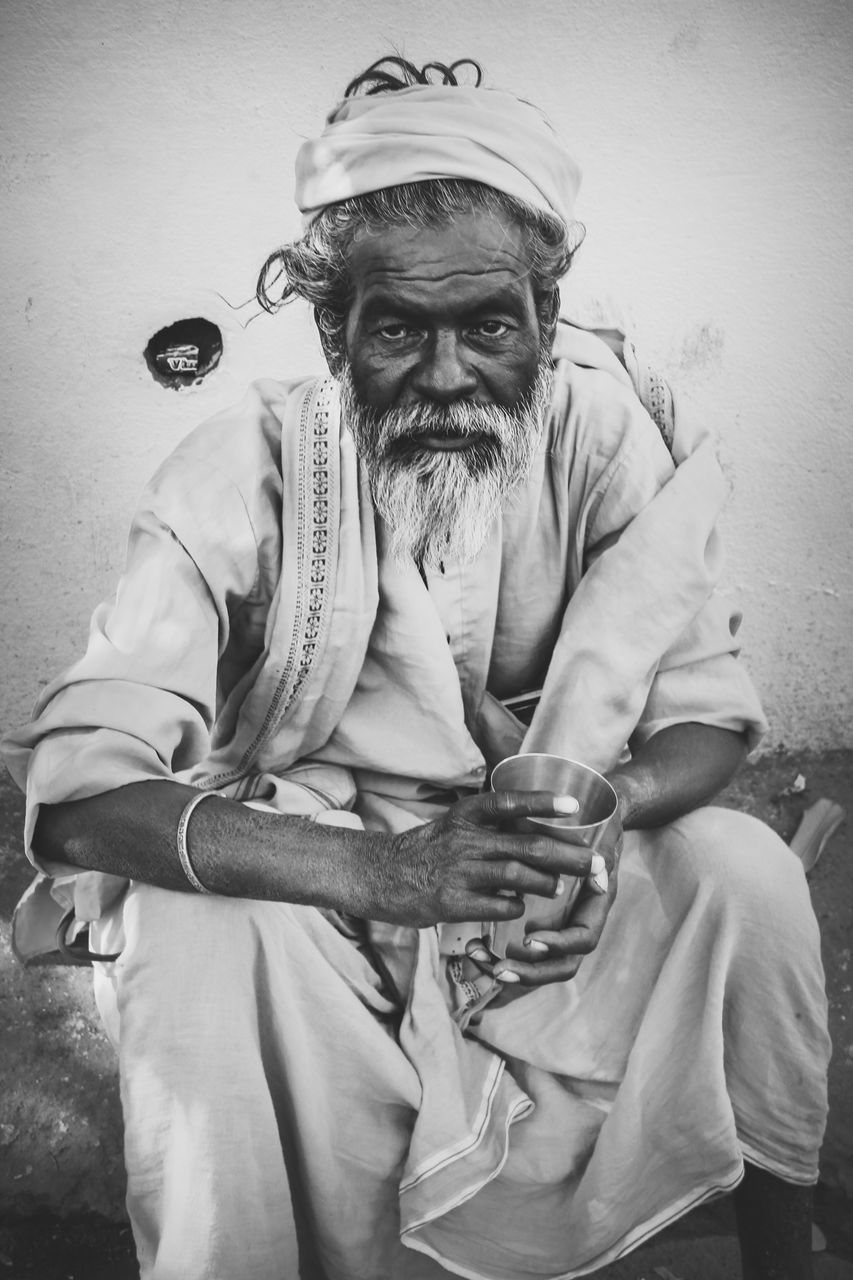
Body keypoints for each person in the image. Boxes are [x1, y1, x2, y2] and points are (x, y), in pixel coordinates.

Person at [2, 56, 830, 1280]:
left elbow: (705, 718)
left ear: (545, 318)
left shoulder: (598, 429)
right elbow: (77, 804)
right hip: (321, 882)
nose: (446, 379)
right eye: (398, 329)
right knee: (194, 934)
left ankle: (788, 1255)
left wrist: (596, 824)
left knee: (745, 873)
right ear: (335, 328)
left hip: (535, 867)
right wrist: (387, 871)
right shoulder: (236, 474)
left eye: (489, 327)